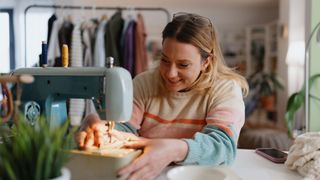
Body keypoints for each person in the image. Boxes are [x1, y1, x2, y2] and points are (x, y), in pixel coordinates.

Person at [76, 12, 249, 180]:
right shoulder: (144, 83)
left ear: (206, 62)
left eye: (183, 64)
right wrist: (101, 127)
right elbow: (124, 128)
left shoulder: (225, 89)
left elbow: (223, 146)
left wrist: (173, 149)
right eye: (165, 60)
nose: (170, 74)